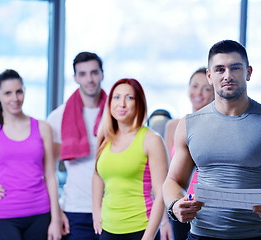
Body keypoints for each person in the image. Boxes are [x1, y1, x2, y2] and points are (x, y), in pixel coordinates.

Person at [162, 40, 261, 240]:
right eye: (219, 69)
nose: (227, 76)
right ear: (210, 76)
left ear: (248, 72)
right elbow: (174, 180)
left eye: (235, 68)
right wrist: (174, 206)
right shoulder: (189, 124)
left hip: (255, 236)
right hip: (201, 235)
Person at [0, 69, 61, 240]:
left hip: (40, 214)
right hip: (4, 217)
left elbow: (50, 175)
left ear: (24, 92)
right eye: (8, 93)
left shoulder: (42, 128)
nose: (15, 98)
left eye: (19, 91)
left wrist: (56, 219)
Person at [92, 78, 168, 240]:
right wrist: (96, 210)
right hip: (108, 228)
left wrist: (149, 236)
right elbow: (97, 175)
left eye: (129, 97)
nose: (122, 103)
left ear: (139, 103)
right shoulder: (105, 137)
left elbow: (161, 193)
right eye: (116, 97)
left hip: (140, 229)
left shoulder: (152, 140)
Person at [47, 52, 107, 240]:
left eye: (94, 72)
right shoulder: (58, 117)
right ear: (75, 78)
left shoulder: (117, 113)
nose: (89, 79)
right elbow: (49, 171)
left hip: (113, 208)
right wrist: (56, 214)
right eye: (82, 74)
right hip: (76, 210)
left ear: (102, 74)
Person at [164, 67, 214, 240]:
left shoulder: (217, 129)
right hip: (180, 206)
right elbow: (166, 177)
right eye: (194, 86)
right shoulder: (173, 126)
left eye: (206, 88)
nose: (198, 93)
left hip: (208, 209)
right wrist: (165, 216)